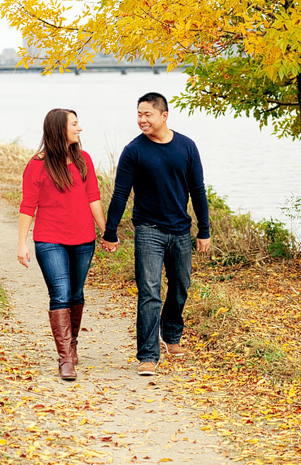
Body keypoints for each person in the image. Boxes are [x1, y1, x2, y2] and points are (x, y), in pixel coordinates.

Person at [102, 92, 211, 376]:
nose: (142, 119)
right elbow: (121, 194)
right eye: (139, 114)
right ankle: (148, 355)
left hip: (180, 230)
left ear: (164, 115)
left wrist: (204, 229)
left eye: (147, 114)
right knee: (149, 292)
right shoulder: (134, 150)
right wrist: (110, 232)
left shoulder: (186, 147)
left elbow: (197, 190)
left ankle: (171, 335)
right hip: (148, 230)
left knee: (180, 285)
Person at [17, 109, 106, 381]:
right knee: (61, 294)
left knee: (76, 294)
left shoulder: (84, 160)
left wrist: (106, 231)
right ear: (59, 129)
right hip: (49, 239)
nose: (80, 129)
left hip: (83, 239)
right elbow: (28, 204)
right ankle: (65, 359)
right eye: (74, 124)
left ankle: (73, 343)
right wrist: (21, 243)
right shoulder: (37, 164)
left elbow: (93, 197)